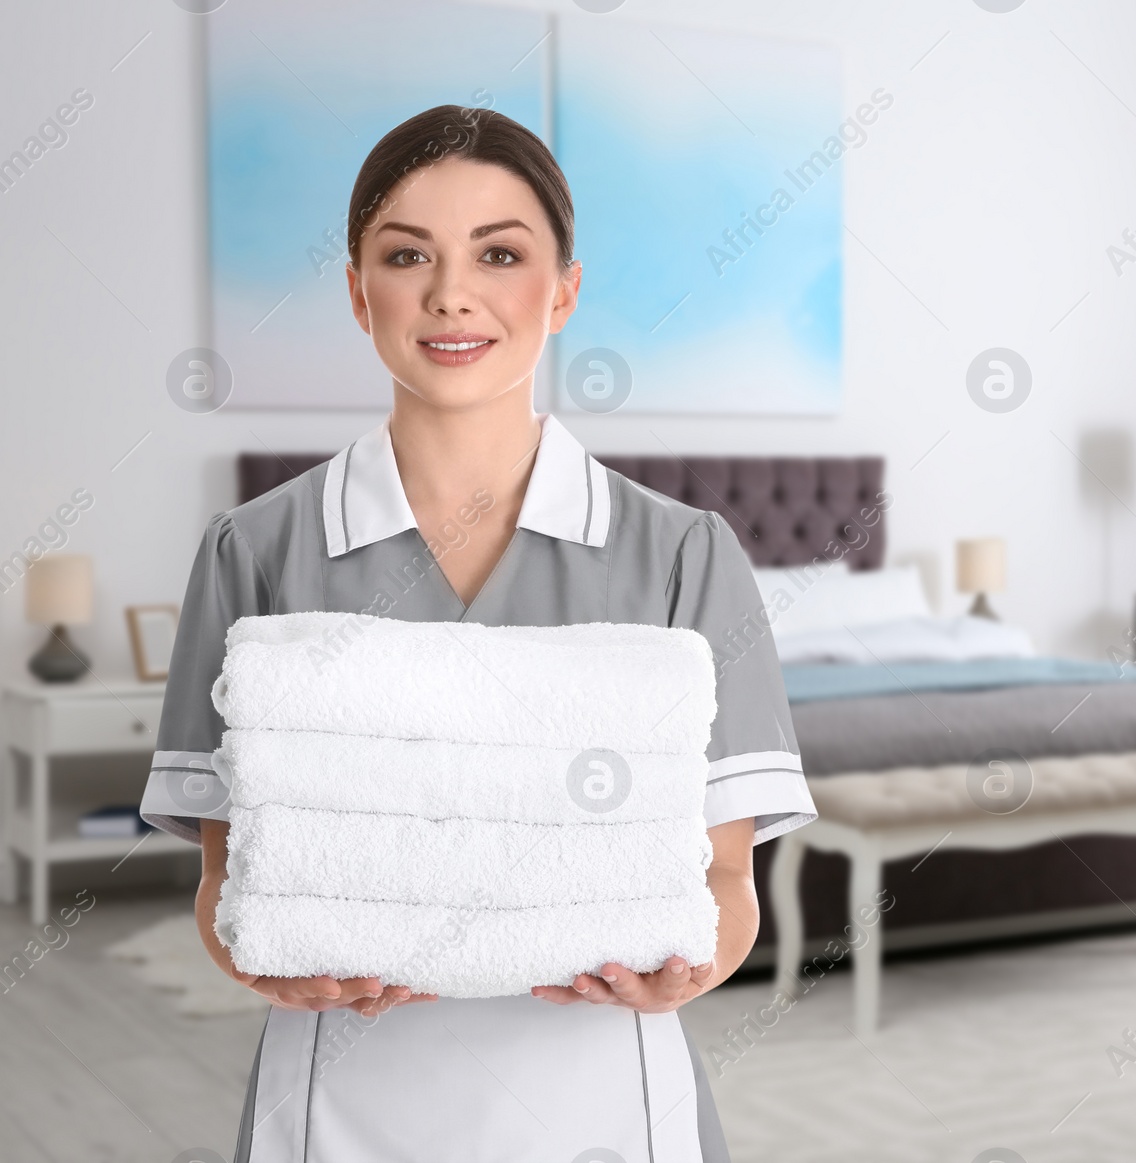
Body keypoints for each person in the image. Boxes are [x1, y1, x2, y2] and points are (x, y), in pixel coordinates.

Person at [138, 104, 816, 1162]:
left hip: (605, 1096)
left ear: (564, 290)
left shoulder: (684, 553)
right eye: (408, 255)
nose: (451, 291)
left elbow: (725, 883)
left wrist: (693, 961)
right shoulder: (256, 549)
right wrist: (261, 957)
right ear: (360, 292)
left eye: (499, 253)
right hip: (341, 1100)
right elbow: (228, 882)